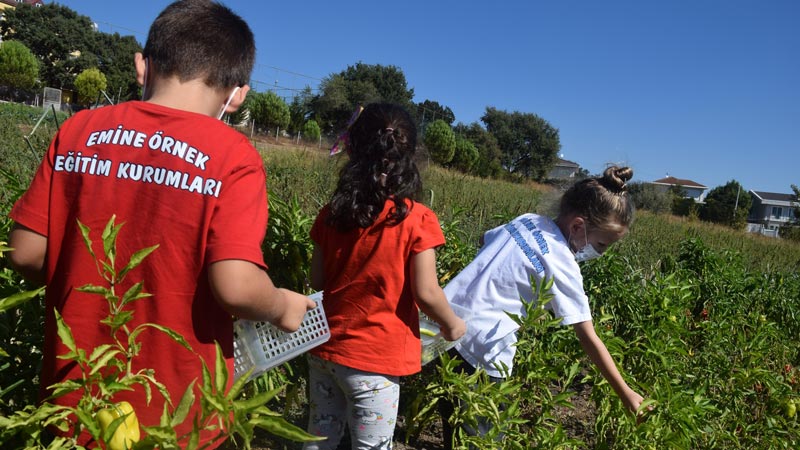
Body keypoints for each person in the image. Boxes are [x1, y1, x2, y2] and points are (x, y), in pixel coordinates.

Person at [7, 1, 314, 448]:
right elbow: (236, 286)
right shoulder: (233, 157)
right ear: (238, 95)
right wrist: (282, 306)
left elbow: (25, 252)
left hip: (75, 401)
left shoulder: (78, 131)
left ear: (141, 66)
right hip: (178, 419)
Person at [439, 166, 646, 448]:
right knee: (482, 440)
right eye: (601, 244)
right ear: (577, 226)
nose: (600, 252)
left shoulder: (528, 220)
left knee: (455, 426)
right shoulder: (562, 263)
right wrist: (625, 392)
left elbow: (484, 239)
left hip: (446, 323)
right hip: (484, 353)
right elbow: (587, 336)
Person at [302, 103, 467, 450]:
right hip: (373, 363)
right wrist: (452, 325)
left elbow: (317, 280)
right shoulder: (417, 219)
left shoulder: (331, 214)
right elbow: (427, 292)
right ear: (411, 155)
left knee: (319, 438)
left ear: (354, 150)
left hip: (324, 349)